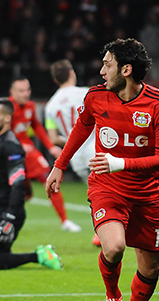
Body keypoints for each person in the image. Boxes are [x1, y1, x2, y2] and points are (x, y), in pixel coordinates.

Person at [45, 38, 159, 301]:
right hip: (107, 186)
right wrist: (59, 166)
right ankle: (112, 298)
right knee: (115, 246)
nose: (101, 70)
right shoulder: (96, 97)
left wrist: (120, 161)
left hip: (147, 194)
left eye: (107, 64)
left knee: (151, 266)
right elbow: (81, 128)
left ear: (127, 69)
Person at [0, 98, 62, 271]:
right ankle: (39, 254)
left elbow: (17, 183)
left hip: (7, 211)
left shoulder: (10, 145)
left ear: (7, 118)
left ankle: (40, 255)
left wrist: (9, 217)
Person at [8, 77, 81, 232]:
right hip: (11, 155)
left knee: (50, 180)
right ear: (12, 92)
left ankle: (65, 221)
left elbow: (36, 126)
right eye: (21, 91)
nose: (25, 93)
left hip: (29, 154)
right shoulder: (6, 108)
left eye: (27, 90)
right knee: (18, 193)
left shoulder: (30, 106)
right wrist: (17, 146)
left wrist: (50, 146)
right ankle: (7, 220)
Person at [44, 59, 99, 246]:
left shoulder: (51, 106)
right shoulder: (85, 93)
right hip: (96, 149)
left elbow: (53, 138)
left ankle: (100, 232)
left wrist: (70, 139)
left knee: (94, 194)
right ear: (71, 73)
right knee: (111, 191)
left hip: (76, 157)